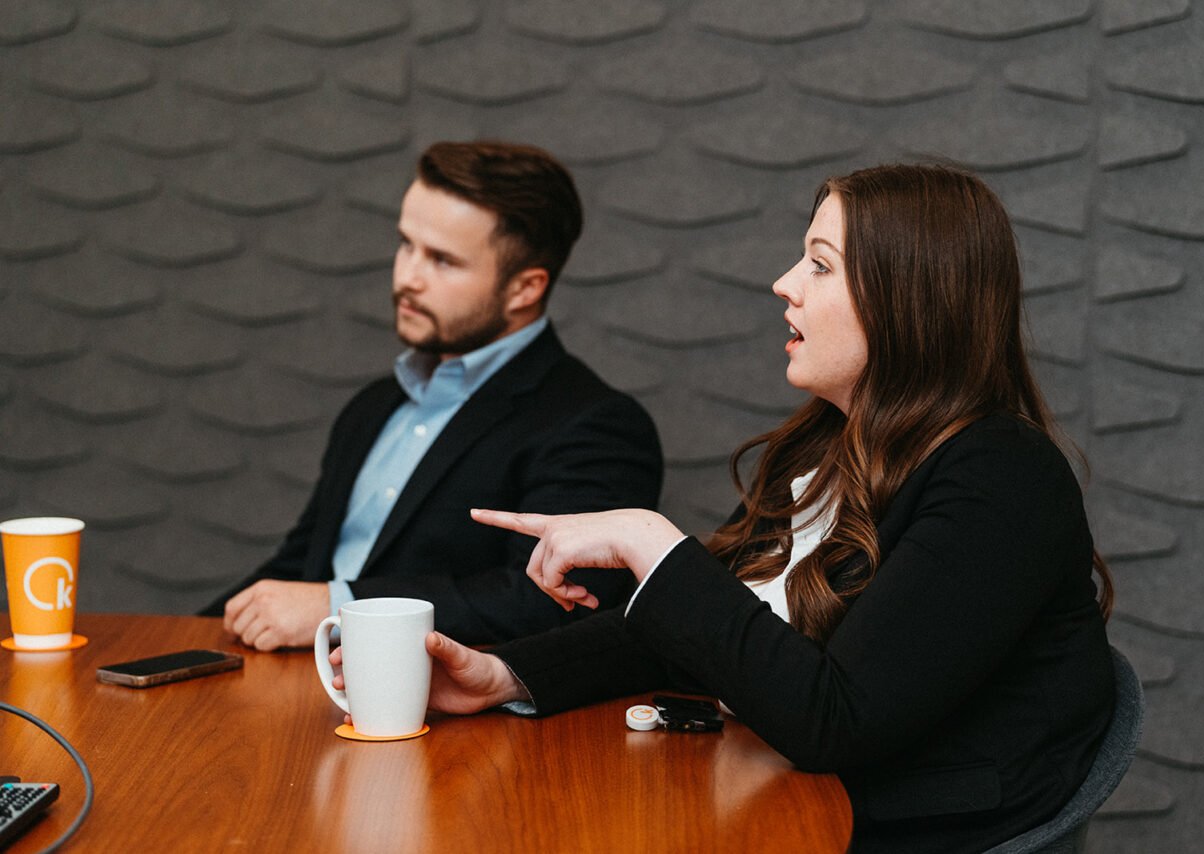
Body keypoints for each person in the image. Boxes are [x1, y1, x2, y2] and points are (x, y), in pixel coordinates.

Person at [333, 163, 1116, 853]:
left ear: (907, 297)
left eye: (819, 265)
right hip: (780, 805)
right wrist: (503, 675)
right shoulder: (832, 447)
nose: (784, 283)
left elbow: (833, 718)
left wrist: (651, 543)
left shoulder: (1002, 476)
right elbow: (700, 638)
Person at [202, 140, 663, 651]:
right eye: (406, 245)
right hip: (308, 692)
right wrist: (167, 644)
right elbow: (302, 567)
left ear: (524, 289)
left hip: (450, 720)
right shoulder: (376, 405)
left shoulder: (597, 424)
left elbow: (547, 602)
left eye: (442, 260)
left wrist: (340, 605)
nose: (407, 278)